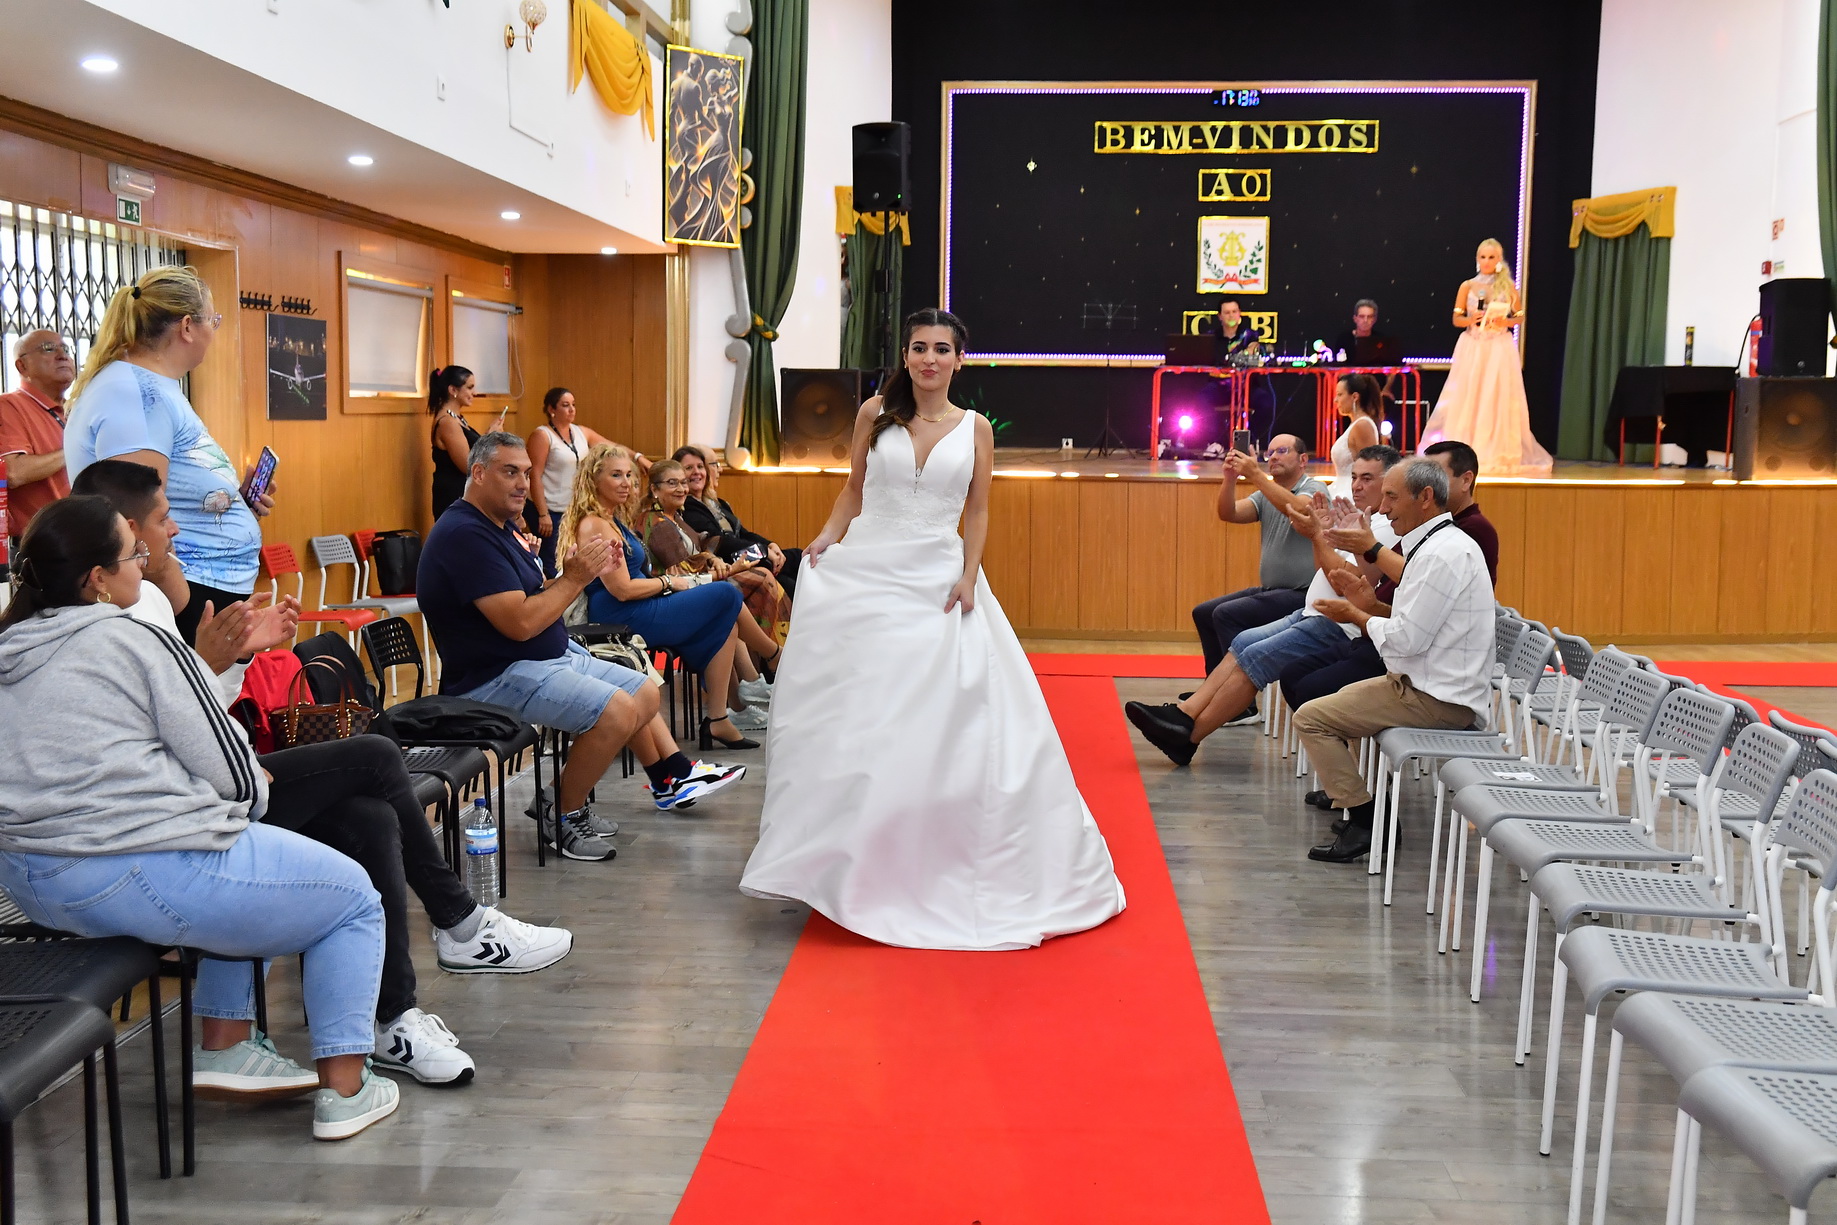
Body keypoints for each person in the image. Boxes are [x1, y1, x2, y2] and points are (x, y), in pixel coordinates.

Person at [72, 459, 573, 1085]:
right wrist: (217, 675)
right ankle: (458, 925)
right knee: (375, 756)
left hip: (207, 785)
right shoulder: (106, 627)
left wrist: (231, 659)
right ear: (121, 538)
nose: (176, 529)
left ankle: (392, 1021)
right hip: (189, 806)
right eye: (162, 518)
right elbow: (171, 735)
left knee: (371, 819)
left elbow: (192, 716)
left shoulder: (140, 598)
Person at [0, 496, 397, 1140]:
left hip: (33, 882)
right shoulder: (133, 639)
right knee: (352, 896)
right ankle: (346, 1091)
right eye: (134, 553)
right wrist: (249, 790)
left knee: (251, 863)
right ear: (97, 578)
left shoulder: (11, 647)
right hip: (129, 871)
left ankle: (228, 1045)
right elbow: (230, 772)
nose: (145, 559)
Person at [738, 307, 1126, 950]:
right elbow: (854, 489)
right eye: (919, 347)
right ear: (907, 355)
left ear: (958, 360)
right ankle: (843, 852)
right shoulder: (874, 413)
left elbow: (978, 509)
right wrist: (827, 538)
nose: (929, 359)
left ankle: (924, 847)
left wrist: (970, 575)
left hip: (936, 578)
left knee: (937, 714)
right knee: (861, 711)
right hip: (868, 571)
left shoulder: (975, 428)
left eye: (942, 349)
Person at [417, 431, 743, 862]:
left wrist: (567, 575)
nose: (523, 484)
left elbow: (535, 594)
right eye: (510, 472)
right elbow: (520, 623)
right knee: (617, 711)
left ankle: (557, 798)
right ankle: (563, 816)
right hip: (494, 675)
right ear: (478, 474)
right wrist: (575, 577)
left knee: (644, 692)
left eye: (526, 474)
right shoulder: (465, 535)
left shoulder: (497, 527)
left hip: (542, 657)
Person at [1127, 445, 1402, 765]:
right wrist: (1323, 535)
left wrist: (1317, 535)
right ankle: (1184, 715)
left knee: (1253, 654)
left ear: (1389, 483)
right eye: (1354, 477)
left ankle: (1187, 736)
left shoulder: (1382, 528)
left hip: (1337, 623)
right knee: (1243, 640)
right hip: (1314, 611)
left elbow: (1348, 583)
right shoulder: (1360, 517)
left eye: (1367, 479)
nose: (1356, 486)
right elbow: (1323, 567)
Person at [1295, 459, 1496, 863]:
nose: (1383, 509)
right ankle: (1371, 812)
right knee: (1335, 701)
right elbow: (1417, 627)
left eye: (1391, 497)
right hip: (1425, 684)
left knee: (1311, 718)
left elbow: (1407, 640)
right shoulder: (1437, 545)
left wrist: (1357, 616)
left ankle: (1368, 820)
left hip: (1440, 699)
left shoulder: (1442, 554)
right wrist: (1370, 606)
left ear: (1425, 498)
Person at [63, 266, 276, 645]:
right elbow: (134, 519)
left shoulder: (151, 387)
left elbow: (163, 493)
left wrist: (230, 500)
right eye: (214, 321)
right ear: (188, 327)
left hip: (200, 586)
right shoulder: (138, 395)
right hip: (184, 593)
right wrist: (183, 606)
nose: (215, 332)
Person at [560, 443, 764, 751]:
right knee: (725, 593)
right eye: (616, 475)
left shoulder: (613, 519)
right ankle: (772, 658)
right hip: (621, 614)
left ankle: (719, 719)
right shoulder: (595, 525)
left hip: (640, 605)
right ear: (594, 480)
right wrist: (668, 582)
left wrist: (670, 582)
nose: (626, 482)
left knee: (724, 621)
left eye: (629, 475)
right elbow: (622, 590)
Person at [1189, 434, 1328, 719]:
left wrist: (1255, 475)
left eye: (1282, 450)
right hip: (1273, 591)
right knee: (1204, 613)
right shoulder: (1268, 492)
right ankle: (1214, 695)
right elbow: (1229, 513)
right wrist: (1230, 479)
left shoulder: (1313, 488)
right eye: (1270, 452)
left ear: (1303, 460)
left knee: (1227, 614)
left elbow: (1300, 510)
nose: (1273, 457)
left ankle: (1240, 705)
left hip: (1303, 595)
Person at [638, 459, 787, 684]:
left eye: (683, 483)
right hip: (674, 597)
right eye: (672, 483)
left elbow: (703, 544)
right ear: (654, 489)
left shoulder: (674, 517)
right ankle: (769, 663)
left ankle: (760, 673)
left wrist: (713, 558)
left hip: (694, 587)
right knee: (758, 580)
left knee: (759, 581)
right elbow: (683, 575)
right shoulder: (657, 523)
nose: (681, 489)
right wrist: (728, 570)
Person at [1418, 239, 1553, 477]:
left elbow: (1520, 316)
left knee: (1496, 395)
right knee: (1467, 396)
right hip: (1473, 345)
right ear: (1477, 259)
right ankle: (1460, 451)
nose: (1487, 261)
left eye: (1492, 257)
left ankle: (1496, 450)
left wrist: (1505, 321)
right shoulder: (1468, 285)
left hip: (1498, 347)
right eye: (1483, 257)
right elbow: (1456, 319)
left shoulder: (1508, 286)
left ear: (1499, 260)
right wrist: (1471, 319)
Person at [675, 443, 801, 602]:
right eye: (689, 468)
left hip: (745, 552)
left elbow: (744, 533)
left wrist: (770, 545)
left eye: (700, 466)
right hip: (726, 561)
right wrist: (762, 550)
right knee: (783, 575)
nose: (696, 472)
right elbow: (719, 542)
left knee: (798, 557)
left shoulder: (718, 503)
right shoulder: (687, 507)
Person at [0, 329, 75, 545]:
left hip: (90, 537)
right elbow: (14, 472)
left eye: (66, 349)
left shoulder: (76, 409)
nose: (62, 355)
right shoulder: (9, 405)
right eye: (48, 349)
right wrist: (76, 449)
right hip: (46, 544)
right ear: (21, 366)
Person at [526, 386, 609, 576]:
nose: (571, 409)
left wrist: (638, 457)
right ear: (551, 409)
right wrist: (543, 513)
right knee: (552, 561)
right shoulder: (542, 435)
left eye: (573, 404)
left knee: (572, 556)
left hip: (572, 509)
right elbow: (534, 475)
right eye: (565, 405)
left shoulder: (580, 432)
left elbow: (610, 446)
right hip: (549, 509)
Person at [429, 365, 507, 522]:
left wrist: (489, 435)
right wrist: (490, 436)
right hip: (453, 496)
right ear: (453, 390)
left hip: (465, 495)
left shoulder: (457, 419)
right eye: (470, 388)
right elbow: (467, 465)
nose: (474, 393)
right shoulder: (447, 422)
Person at [1201, 297, 1275, 444]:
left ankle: (1247, 442)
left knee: (1266, 402)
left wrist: (1247, 352)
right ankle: (1215, 442)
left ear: (1239, 313)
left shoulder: (1250, 335)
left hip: (1247, 386)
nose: (1231, 315)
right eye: (1227, 312)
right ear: (1220, 316)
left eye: (1234, 311)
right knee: (1201, 400)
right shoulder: (1211, 337)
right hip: (1219, 386)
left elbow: (1252, 354)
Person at [1327, 373, 1384, 490]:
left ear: (1355, 397)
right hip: (1342, 488)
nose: (1335, 400)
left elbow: (1370, 468)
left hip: (1351, 492)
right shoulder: (1356, 424)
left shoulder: (1362, 425)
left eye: (1340, 395)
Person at [1330, 299, 1400, 368]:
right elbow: (1337, 365)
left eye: (1369, 317)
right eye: (1361, 316)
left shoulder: (1381, 340)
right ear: (1355, 318)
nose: (1365, 320)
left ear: (1374, 320)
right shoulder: (1344, 339)